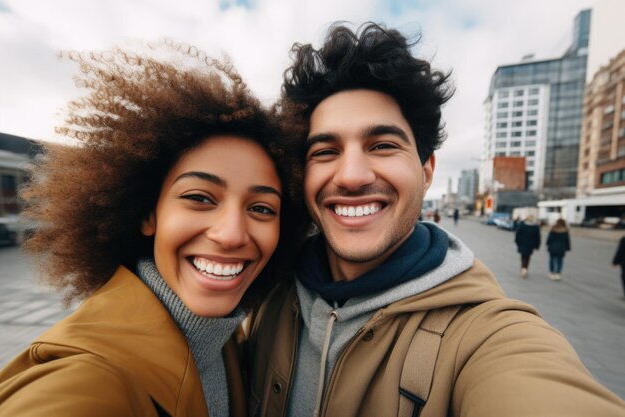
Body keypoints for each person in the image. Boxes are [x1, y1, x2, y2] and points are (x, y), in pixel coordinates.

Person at [246, 23, 625, 417]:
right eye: (325, 151)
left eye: (383, 145)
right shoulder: (264, 290)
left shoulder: (485, 335)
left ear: (427, 171)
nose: (352, 175)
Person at [0, 42, 307, 417]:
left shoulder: (221, 342)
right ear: (148, 214)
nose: (231, 234)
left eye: (261, 208)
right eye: (200, 198)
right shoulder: (86, 377)